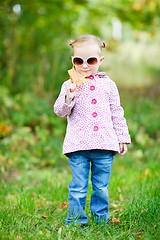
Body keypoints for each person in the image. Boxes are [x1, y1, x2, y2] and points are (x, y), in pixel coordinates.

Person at [54, 34, 131, 226]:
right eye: (79, 60)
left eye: (91, 60)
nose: (85, 65)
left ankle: (101, 218)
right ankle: (76, 219)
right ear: (73, 60)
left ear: (100, 60)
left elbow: (116, 112)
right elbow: (60, 112)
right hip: (78, 146)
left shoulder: (109, 85)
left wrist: (122, 137)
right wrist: (68, 97)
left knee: (101, 187)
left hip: (104, 145)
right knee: (78, 187)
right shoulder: (68, 85)